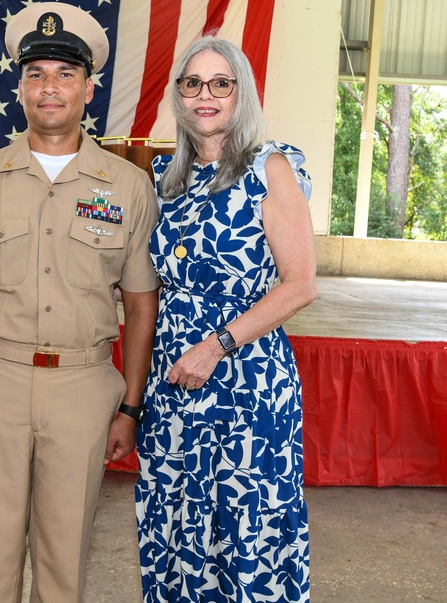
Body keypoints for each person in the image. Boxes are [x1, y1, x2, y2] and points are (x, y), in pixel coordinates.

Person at [0, 1, 161, 603]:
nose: (49, 88)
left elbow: (140, 303)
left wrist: (129, 407)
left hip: (83, 388)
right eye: (36, 75)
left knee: (64, 563)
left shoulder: (128, 185)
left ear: (87, 87)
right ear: (20, 88)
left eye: (63, 75)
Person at [135, 35, 316, 602]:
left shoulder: (270, 168)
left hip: (247, 383)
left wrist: (216, 346)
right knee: (178, 526)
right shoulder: (166, 180)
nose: (205, 96)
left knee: (248, 530)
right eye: (192, 84)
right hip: (174, 384)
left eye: (221, 83)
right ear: (178, 97)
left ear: (243, 93)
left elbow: (302, 284)